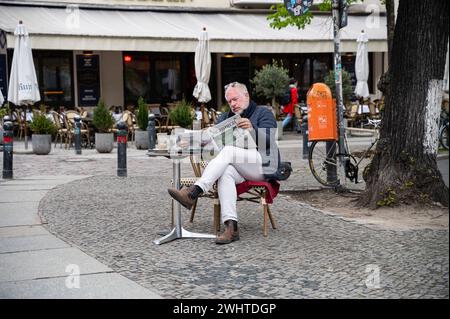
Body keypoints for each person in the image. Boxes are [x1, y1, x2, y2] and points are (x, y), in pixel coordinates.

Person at [167, 82, 280, 245]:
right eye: (229, 101)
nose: (233, 104)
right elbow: (212, 142)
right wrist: (192, 141)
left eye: (235, 99)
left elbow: (269, 142)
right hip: (239, 166)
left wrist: (252, 129)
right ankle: (231, 227)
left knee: (228, 151)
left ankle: (193, 192)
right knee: (225, 173)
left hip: (263, 164)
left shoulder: (263, 113)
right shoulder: (226, 118)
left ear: (246, 95)